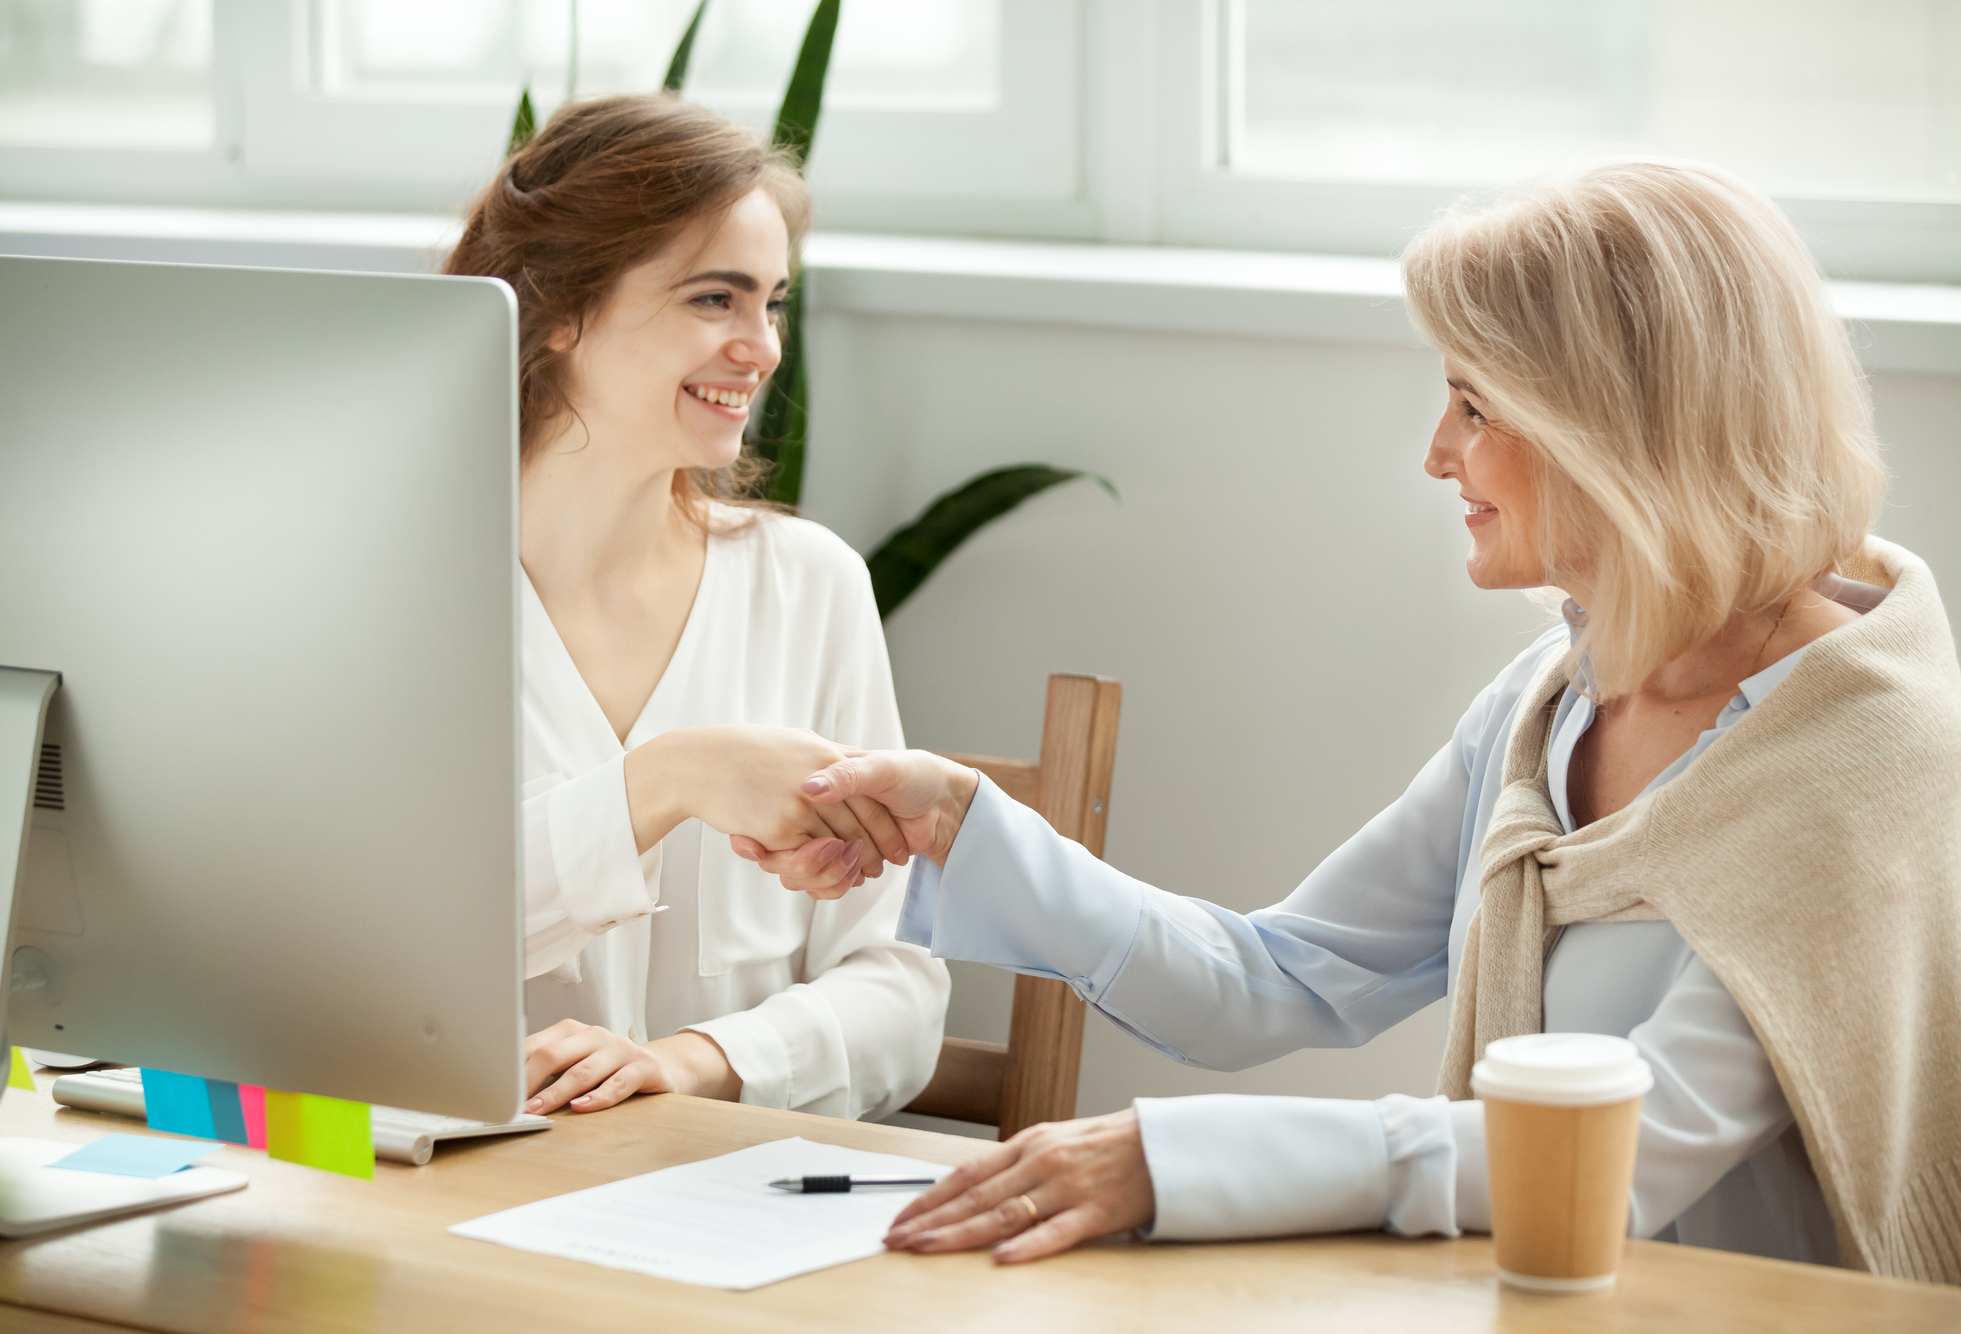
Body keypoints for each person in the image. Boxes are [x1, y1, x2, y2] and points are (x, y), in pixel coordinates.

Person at [738, 160, 1961, 1281]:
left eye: (1473, 407)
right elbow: (1269, 979)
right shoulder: (1553, 702)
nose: (1438, 454)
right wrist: (959, 820)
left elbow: (1628, 1150)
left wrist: (1176, 1161)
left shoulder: (1852, 756)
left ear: (1615, 432)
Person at [442, 94, 947, 1122]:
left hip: (726, 1209)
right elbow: (355, 952)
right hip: (442, 1211)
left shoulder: (810, 586)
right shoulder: (396, 603)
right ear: (558, 312)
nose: (760, 349)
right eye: (715, 299)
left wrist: (696, 1056)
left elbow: (900, 988)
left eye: (772, 302)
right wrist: (666, 778)